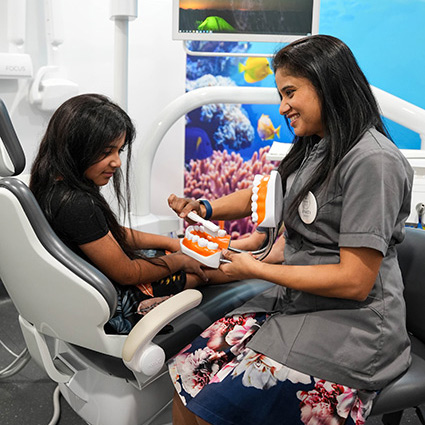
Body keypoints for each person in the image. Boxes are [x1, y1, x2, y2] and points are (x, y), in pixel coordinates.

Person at [167, 34, 414, 425]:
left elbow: (355, 281)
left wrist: (255, 268)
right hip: (299, 303)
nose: (282, 106)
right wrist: (207, 208)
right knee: (185, 368)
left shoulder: (373, 162)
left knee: (220, 407)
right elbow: (267, 194)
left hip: (352, 328)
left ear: (327, 83)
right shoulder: (317, 146)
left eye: (289, 92)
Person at [29, 93, 231, 335]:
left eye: (119, 151)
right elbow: (128, 273)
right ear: (77, 146)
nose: (117, 162)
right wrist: (181, 260)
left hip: (81, 293)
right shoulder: (76, 204)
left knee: (173, 255)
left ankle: (249, 255)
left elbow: (112, 234)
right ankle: (261, 263)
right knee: (202, 272)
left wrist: (173, 244)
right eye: (106, 152)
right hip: (114, 304)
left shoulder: (51, 184)